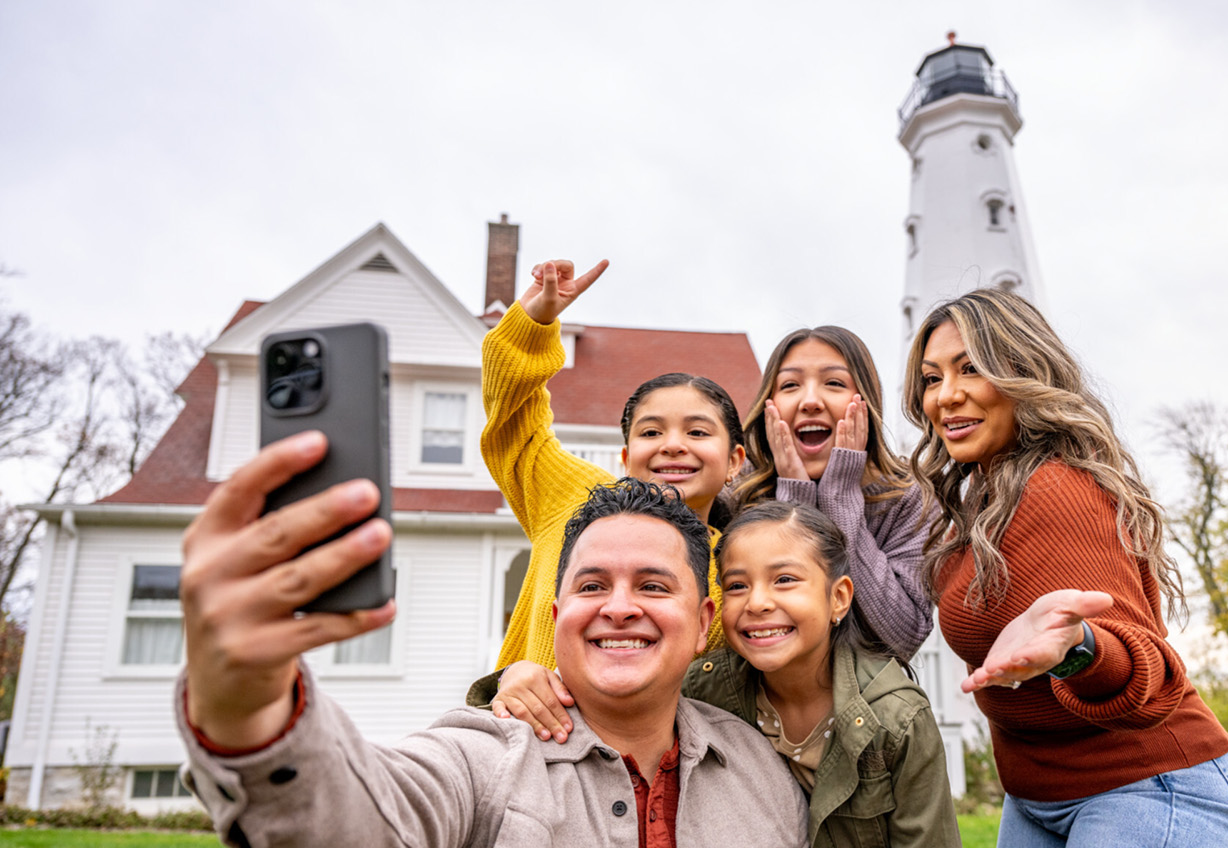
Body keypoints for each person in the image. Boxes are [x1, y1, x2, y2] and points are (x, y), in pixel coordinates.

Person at [176, 448, 809, 847]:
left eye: (651, 585)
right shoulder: (484, 759)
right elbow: (365, 818)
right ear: (557, 617)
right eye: (593, 585)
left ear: (704, 624)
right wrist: (248, 707)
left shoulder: (761, 770)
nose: (619, 606)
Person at [904, 288, 1228, 847]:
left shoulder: (1056, 487)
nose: (947, 396)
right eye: (931, 377)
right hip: (1037, 798)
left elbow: (1152, 674)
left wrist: (1078, 645)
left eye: (972, 369)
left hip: (1144, 788)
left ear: (1023, 371)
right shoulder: (982, 503)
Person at [479, 501, 961, 847]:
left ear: (838, 598)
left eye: (785, 580)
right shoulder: (703, 687)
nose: (758, 602)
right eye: (737, 585)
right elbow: (603, 691)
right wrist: (517, 676)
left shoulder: (897, 719)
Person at [486, 258, 747, 669]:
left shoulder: (739, 567)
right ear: (626, 458)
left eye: (697, 432)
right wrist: (531, 329)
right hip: (518, 728)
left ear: (735, 461)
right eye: (651, 432)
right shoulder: (575, 498)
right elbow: (516, 425)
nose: (673, 446)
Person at [732, 327, 932, 660]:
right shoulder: (739, 491)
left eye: (834, 383)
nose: (810, 401)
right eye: (790, 385)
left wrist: (840, 499)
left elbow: (903, 639)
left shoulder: (909, 498)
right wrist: (796, 503)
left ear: (866, 402)